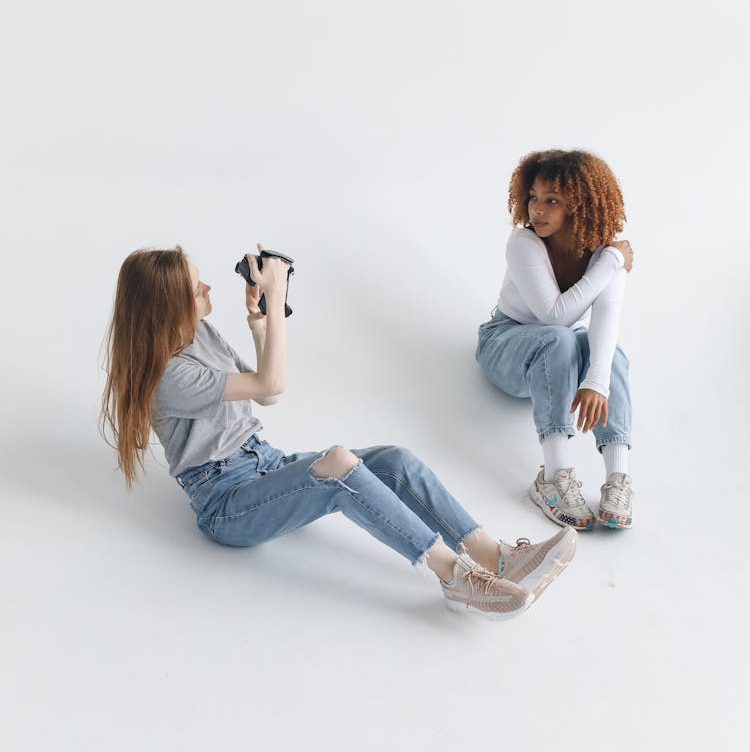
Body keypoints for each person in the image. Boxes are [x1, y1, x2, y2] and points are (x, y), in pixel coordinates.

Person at [101, 244, 576, 620]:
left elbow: (263, 394)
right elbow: (272, 383)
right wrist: (281, 292)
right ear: (168, 304)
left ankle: (494, 557)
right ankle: (456, 579)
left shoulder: (198, 334)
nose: (206, 286)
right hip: (227, 503)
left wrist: (261, 321)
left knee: (394, 460)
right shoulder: (169, 375)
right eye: (193, 285)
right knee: (338, 465)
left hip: (265, 461)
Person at [476, 149, 634, 530]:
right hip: (505, 342)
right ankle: (553, 477)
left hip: (553, 351)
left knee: (610, 352)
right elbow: (555, 315)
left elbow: (606, 316)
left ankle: (618, 476)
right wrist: (613, 262)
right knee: (560, 338)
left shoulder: (602, 250)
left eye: (552, 201)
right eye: (533, 197)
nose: (537, 211)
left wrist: (596, 378)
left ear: (579, 207)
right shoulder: (523, 243)